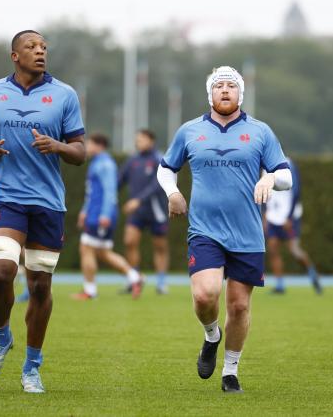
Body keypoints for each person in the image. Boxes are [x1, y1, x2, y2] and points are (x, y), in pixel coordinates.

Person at [0, 30, 86, 393]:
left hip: (48, 203)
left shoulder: (64, 95)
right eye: (32, 47)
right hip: (6, 197)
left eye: (44, 48)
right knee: (1, 273)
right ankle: (2, 336)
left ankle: (32, 365)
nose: (40, 52)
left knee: (38, 286)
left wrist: (59, 146)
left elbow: (80, 153)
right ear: (14, 56)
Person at [157, 66, 292, 393]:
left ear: (240, 94)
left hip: (247, 233)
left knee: (239, 306)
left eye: (232, 85)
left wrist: (269, 177)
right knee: (205, 295)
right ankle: (211, 335)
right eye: (219, 85)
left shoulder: (260, 132)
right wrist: (173, 193)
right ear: (211, 94)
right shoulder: (190, 131)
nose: (226, 90)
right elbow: (165, 169)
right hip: (205, 230)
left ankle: (230, 371)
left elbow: (286, 177)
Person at [72, 133, 144, 300]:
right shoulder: (97, 162)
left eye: (89, 144)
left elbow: (110, 191)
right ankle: (135, 277)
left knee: (86, 248)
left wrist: (104, 215)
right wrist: (84, 211)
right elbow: (92, 193)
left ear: (99, 145)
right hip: (94, 214)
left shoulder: (105, 164)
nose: (86, 148)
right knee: (103, 253)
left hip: (100, 215)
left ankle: (90, 291)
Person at [119, 129, 170, 295]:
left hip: (156, 211)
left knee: (160, 247)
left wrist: (138, 200)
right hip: (137, 211)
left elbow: (157, 184)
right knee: (129, 241)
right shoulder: (132, 160)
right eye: (137, 139)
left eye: (141, 139)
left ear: (151, 141)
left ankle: (161, 283)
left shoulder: (158, 159)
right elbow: (119, 180)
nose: (138, 142)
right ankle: (135, 279)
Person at [264, 157, 321, 295]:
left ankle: (312, 274)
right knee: (272, 249)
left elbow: (296, 191)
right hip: (273, 216)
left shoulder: (288, 165)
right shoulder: (264, 166)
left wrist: (289, 217)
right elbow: (263, 189)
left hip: (290, 217)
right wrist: (265, 213)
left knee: (294, 250)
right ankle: (279, 286)